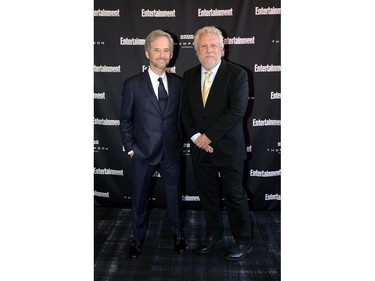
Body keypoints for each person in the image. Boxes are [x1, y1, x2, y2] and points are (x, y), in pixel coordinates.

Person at [181, 26, 252, 261]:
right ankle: (213, 234)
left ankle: (243, 240)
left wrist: (207, 138)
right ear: (196, 51)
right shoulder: (189, 76)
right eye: (203, 46)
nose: (208, 50)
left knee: (235, 195)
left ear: (222, 48)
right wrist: (195, 139)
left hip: (228, 149)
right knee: (208, 196)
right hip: (200, 150)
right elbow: (184, 113)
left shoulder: (237, 74)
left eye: (213, 45)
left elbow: (236, 112)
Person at [120, 29, 186, 260]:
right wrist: (130, 148)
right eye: (157, 49)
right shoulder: (132, 85)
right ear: (147, 53)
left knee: (174, 197)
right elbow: (125, 120)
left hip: (171, 153)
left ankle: (177, 234)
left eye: (166, 50)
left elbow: (181, 118)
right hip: (142, 153)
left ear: (172, 54)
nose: (162, 54)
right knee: (139, 199)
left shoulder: (179, 85)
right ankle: (137, 237)